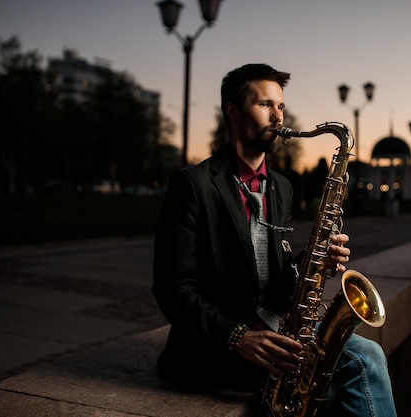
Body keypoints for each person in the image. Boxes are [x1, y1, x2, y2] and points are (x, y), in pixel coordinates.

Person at [152, 63, 397, 417]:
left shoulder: (281, 187)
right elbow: (172, 288)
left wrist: (315, 260)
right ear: (233, 112)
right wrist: (238, 337)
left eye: (281, 106)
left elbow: (273, 274)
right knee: (364, 361)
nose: (278, 116)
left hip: (277, 327)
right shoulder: (193, 184)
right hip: (220, 345)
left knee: (361, 361)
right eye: (265, 105)